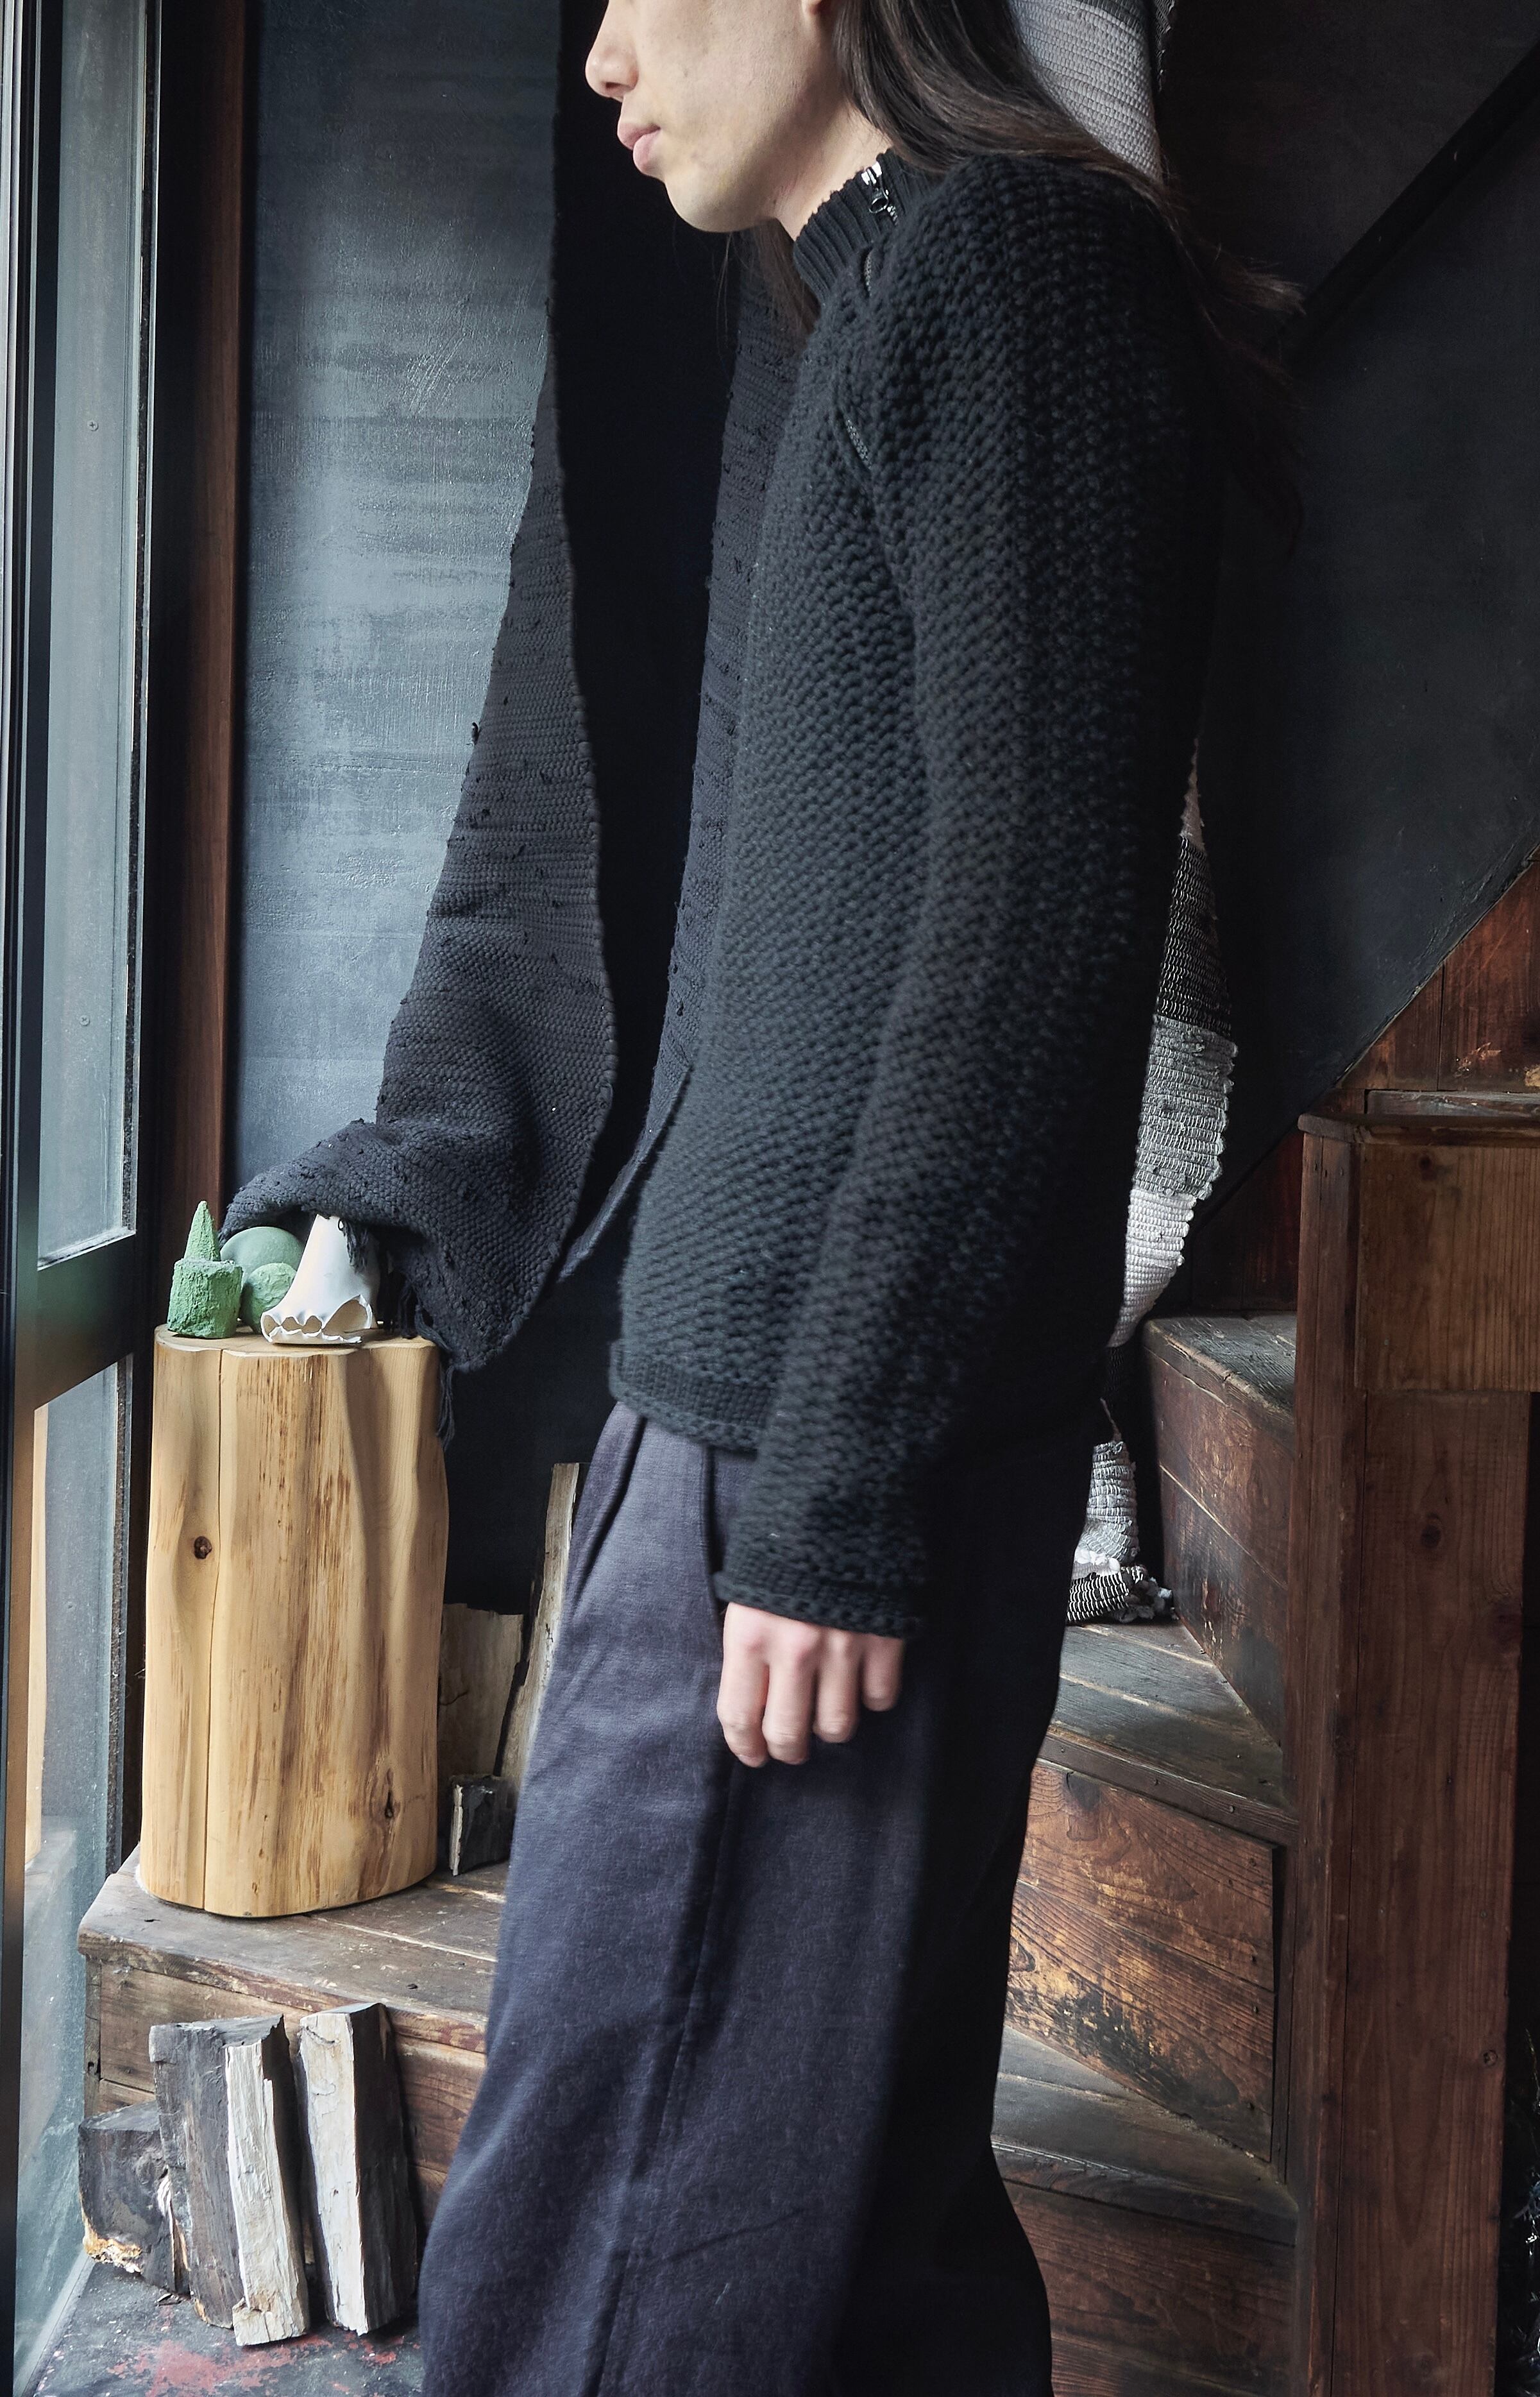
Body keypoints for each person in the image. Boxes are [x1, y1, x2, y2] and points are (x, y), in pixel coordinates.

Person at [227, 0, 1253, 2386]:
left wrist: (833, 1501)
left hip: (801, 1456)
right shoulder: (895, 293)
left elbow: (1031, 922)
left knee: (619, 2273)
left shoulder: (1012, 269)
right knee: (837, 2255)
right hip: (755, 1428)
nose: (598, 55)